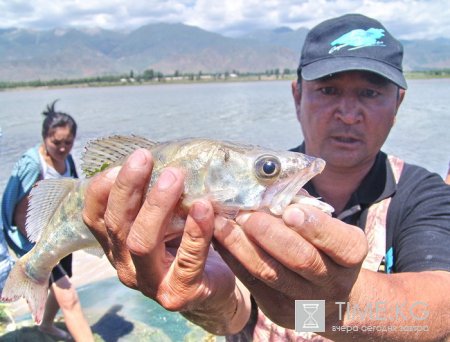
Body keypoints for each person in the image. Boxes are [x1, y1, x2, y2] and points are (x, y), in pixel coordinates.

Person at [81, 14, 450, 341]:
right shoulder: (240, 189)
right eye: (329, 90)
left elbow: (439, 312)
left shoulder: (423, 195)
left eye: (370, 93)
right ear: (297, 96)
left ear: (397, 104)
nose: (349, 114)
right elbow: (234, 314)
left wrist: (330, 310)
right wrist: (209, 297)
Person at [1, 101, 94, 341]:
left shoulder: (68, 160)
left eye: (68, 142)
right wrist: (35, 245)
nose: (63, 148)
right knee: (69, 296)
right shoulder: (32, 164)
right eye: (56, 143)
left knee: (62, 285)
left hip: (62, 233)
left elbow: (73, 194)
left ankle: (46, 325)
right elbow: (15, 208)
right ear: (44, 137)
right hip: (37, 240)